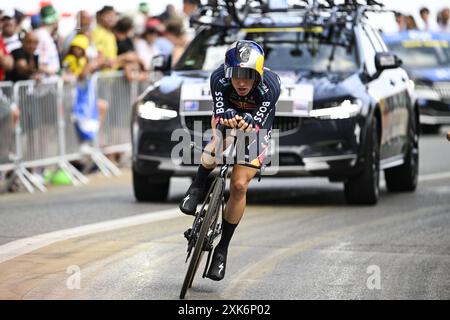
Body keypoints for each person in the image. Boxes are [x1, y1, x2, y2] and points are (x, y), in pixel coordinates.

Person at [179, 40, 281, 281]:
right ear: (227, 73)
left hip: (257, 123)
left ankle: (222, 250)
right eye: (235, 75)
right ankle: (196, 188)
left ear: (258, 74)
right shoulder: (217, 78)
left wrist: (248, 121)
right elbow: (220, 109)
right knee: (219, 141)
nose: (241, 82)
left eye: (247, 75)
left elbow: (257, 121)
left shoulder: (271, 85)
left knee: (238, 186)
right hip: (228, 116)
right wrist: (228, 116)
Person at [35, 5, 60, 78]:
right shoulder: (43, 36)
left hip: (48, 85)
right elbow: (39, 65)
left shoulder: (44, 35)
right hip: (46, 85)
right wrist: (59, 73)